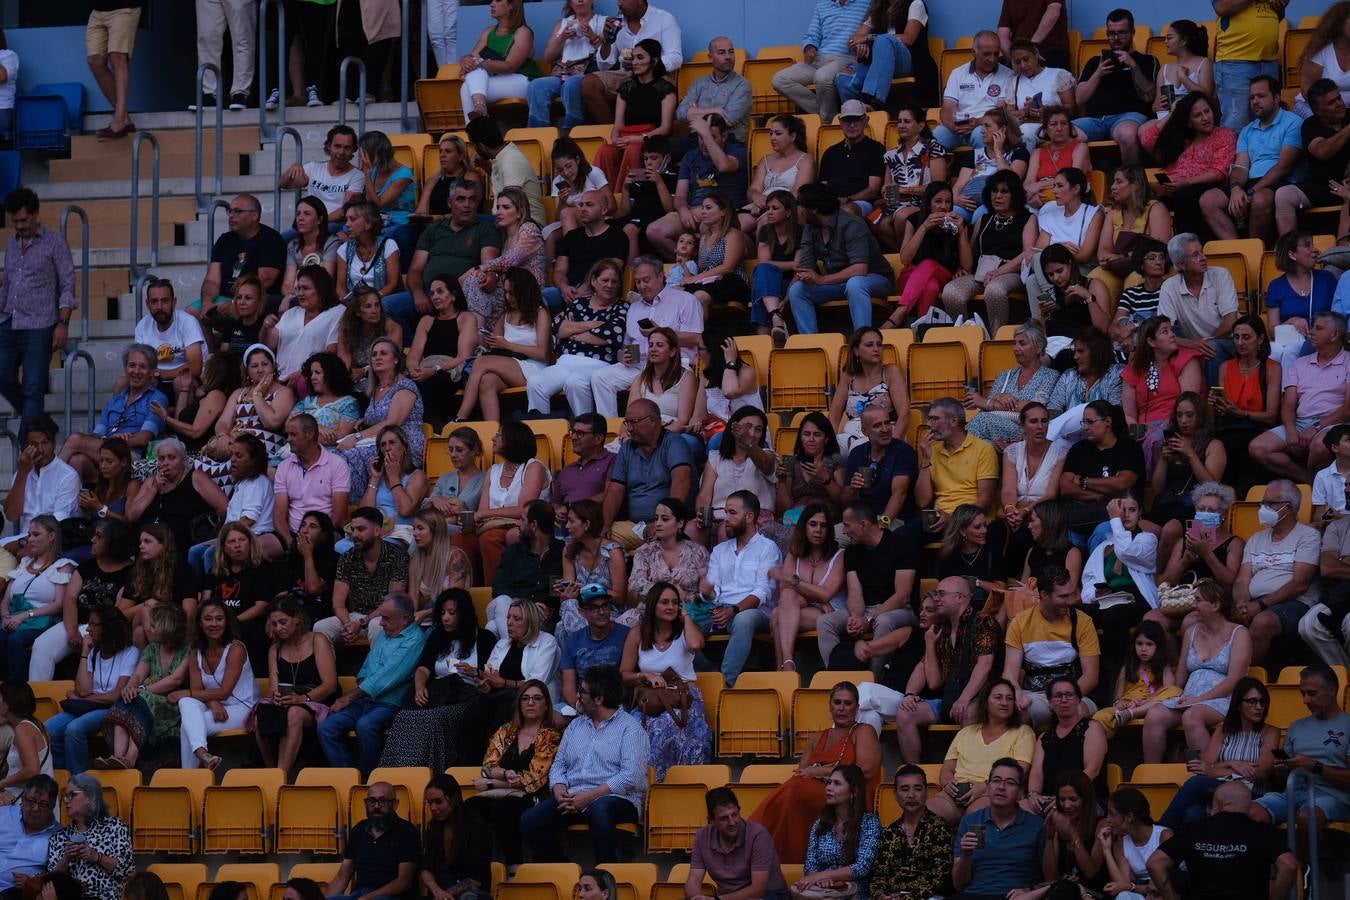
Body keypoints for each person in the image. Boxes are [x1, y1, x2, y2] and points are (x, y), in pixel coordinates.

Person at [520, 664, 649, 864]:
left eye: (583, 691)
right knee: (531, 820)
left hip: (616, 799)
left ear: (599, 699)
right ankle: (562, 869)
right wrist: (560, 790)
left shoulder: (630, 729)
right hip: (573, 797)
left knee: (600, 809)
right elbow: (559, 765)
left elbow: (630, 776)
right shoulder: (576, 725)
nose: (578, 696)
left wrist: (588, 797)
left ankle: (606, 874)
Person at [750, 681, 882, 864]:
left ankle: (753, 842)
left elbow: (865, 770)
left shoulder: (863, 731)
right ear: (829, 706)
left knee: (794, 789)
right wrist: (814, 773)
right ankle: (758, 845)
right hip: (813, 795)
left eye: (848, 703)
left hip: (849, 796)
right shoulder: (817, 737)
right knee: (793, 788)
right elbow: (802, 772)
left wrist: (819, 771)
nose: (842, 708)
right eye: (837, 703)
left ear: (857, 708)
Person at [381, 588, 498, 769]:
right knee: (404, 716)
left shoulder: (484, 638)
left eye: (451, 613)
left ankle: (428, 771)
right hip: (440, 693)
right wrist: (419, 686)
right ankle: (396, 772)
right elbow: (423, 668)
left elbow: (492, 677)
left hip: (468, 696)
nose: (445, 618)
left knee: (434, 719)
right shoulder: (437, 636)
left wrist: (476, 672)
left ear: (464, 614)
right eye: (442, 613)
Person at [1141, 578, 1252, 763]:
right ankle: (1152, 773)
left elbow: (1235, 681)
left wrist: (1200, 700)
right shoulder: (1191, 632)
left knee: (1192, 716)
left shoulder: (1239, 634)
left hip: (1224, 699)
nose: (1193, 605)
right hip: (1189, 698)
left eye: (1198, 600)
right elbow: (1181, 678)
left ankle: (1207, 772)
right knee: (1154, 715)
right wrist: (1164, 697)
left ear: (1215, 604)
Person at [318, 593, 427, 775]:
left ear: (405, 619)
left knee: (366, 725)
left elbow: (386, 678)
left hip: (390, 704)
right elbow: (367, 666)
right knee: (326, 727)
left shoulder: (415, 640)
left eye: (386, 618)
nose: (381, 623)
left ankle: (372, 780)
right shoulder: (388, 632)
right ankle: (347, 778)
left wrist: (349, 697)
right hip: (366, 699)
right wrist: (361, 685)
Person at [1249, 664, 1350, 858]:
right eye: (1302, 693)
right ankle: (1272, 867)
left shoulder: (1347, 725)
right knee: (1250, 812)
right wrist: (1281, 769)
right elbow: (1280, 781)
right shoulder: (1297, 726)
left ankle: (1300, 871)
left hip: (1332, 796)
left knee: (1307, 816)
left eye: (1312, 694)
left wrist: (1316, 767)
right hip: (1292, 791)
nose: (1305, 700)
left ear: (1332, 690)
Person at [0, 189, 76, 436]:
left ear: (35, 215)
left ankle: (28, 449)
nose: (19, 226)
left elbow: (67, 283)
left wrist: (63, 323)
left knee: (33, 387)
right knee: (2, 376)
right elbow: (9, 283)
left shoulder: (55, 242)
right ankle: (43, 424)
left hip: (40, 325)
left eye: (23, 220)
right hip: (10, 320)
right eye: (15, 221)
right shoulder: (12, 245)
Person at [387, 178, 501, 340]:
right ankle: (415, 345)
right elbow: (415, 269)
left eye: (472, 199)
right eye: (461, 199)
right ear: (450, 202)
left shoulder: (485, 229)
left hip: (461, 296)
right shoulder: (433, 230)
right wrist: (418, 293)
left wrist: (488, 277)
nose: (467, 205)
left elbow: (487, 266)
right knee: (387, 307)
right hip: (428, 294)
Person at [588, 257, 702, 418]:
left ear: (661, 276)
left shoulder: (685, 300)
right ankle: (612, 429)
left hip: (674, 364)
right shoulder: (634, 308)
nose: (642, 286)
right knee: (600, 378)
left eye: (646, 280)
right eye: (638, 282)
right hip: (640, 364)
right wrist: (624, 355)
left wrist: (662, 332)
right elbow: (629, 344)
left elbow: (695, 338)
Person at [1157, 676, 1277, 828]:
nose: (1259, 707)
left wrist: (1216, 769)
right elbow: (1205, 767)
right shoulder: (1223, 731)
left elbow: (1262, 771)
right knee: (1192, 814)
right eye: (1252, 701)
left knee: (1196, 783)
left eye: (1262, 702)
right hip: (1219, 792)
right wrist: (1232, 764)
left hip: (1251, 793)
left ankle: (1159, 832)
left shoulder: (1270, 732)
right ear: (1239, 704)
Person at [466, 679, 562, 867]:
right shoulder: (505, 730)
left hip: (534, 797)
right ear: (519, 704)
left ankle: (514, 866)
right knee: (469, 808)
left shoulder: (551, 736)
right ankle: (479, 869)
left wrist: (493, 784)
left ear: (546, 705)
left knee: (502, 808)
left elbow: (534, 780)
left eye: (537, 698)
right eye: (525, 698)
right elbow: (486, 768)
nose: (530, 703)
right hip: (503, 793)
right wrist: (504, 773)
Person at [620, 581, 711, 778]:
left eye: (675, 602)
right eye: (664, 602)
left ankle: (675, 782)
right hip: (651, 698)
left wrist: (685, 615)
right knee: (633, 728)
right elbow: (624, 674)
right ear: (653, 605)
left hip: (684, 697)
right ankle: (645, 784)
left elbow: (696, 644)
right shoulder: (638, 633)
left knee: (667, 724)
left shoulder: (686, 630)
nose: (671, 607)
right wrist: (644, 675)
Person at [1149, 782, 1297, 900]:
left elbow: (1155, 863)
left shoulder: (1192, 830)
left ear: (1218, 803)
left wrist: (1171, 897)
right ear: (1249, 806)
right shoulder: (1265, 831)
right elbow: (1289, 865)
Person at [817, 502, 917, 674]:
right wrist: (856, 618)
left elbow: (903, 595)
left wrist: (869, 619)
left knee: (884, 621)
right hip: (866, 611)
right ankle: (835, 679)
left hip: (899, 609)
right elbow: (855, 592)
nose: (844, 531)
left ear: (863, 524)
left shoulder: (901, 545)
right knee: (824, 621)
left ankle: (873, 678)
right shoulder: (852, 552)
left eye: (847, 525)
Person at [1249, 311, 1350, 483]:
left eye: (1318, 328)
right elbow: (1288, 404)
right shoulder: (1299, 363)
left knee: (1319, 446)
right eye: (1312, 327)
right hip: (1301, 422)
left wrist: (1316, 427)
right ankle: (1309, 480)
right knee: (1258, 447)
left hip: (1334, 423)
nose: (1311, 332)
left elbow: (1348, 408)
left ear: (1334, 335)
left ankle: (1314, 485)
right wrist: (1290, 430)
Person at [28, 520, 134, 682]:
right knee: (41, 646)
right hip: (75, 623)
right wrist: (72, 631)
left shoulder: (130, 573)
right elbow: (69, 599)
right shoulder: (86, 567)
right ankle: (38, 699)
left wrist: (90, 630)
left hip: (104, 626)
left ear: (113, 541)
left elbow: (118, 612)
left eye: (99, 536)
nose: (92, 540)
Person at [1201, 77, 1304, 243]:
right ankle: (1238, 247)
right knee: (1208, 200)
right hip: (1251, 182)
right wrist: (1235, 189)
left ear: (1276, 98)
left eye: (1261, 96)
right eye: (1252, 97)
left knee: (1260, 199)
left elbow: (1283, 167)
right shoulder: (1247, 130)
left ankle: (1254, 249)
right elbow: (1241, 167)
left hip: (1279, 181)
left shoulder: (1293, 123)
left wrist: (1252, 191)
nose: (1255, 101)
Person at [694, 491, 780, 687]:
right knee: (679, 620)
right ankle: (709, 671)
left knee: (743, 620)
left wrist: (733, 610)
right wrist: (707, 593)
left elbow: (763, 592)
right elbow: (713, 592)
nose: (726, 519)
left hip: (755, 612)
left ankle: (726, 684)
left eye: (732, 513)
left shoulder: (767, 548)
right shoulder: (719, 550)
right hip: (719, 609)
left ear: (749, 517)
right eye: (725, 512)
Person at [1232, 479, 1322, 665]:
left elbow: (1299, 584)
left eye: (1269, 503)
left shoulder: (1308, 536)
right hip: (1255, 603)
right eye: (1263, 503)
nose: (1263, 508)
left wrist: (1261, 605)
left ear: (1288, 508)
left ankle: (1242, 678)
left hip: (1295, 603)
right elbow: (1242, 580)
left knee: (1262, 622)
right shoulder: (1256, 539)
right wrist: (1242, 603)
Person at [787, 182, 896, 336]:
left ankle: (863, 339)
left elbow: (860, 269)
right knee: (797, 290)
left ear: (813, 209)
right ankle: (811, 343)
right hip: (839, 282)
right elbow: (806, 267)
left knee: (855, 282)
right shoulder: (810, 228)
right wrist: (804, 275)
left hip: (875, 279)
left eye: (800, 206)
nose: (797, 211)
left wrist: (821, 279)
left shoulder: (851, 224)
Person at [94, 603, 190, 770]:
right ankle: (117, 757)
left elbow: (175, 680)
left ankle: (130, 759)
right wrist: (130, 687)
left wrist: (142, 691)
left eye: (154, 626)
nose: (149, 629)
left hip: (172, 703)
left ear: (167, 629)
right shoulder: (152, 649)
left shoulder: (188, 649)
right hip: (146, 698)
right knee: (127, 696)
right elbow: (138, 675)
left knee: (140, 698)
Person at [1002, 564, 1100, 727]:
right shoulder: (1020, 622)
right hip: (1035, 696)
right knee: (1015, 711)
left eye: (1071, 594)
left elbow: (1091, 677)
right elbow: (1009, 673)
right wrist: (1017, 693)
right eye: (1062, 596)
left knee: (1078, 711)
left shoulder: (1082, 622)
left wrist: (1064, 700)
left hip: (1074, 695)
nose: (1069, 601)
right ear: (1044, 595)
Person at [927, 679, 1035, 826]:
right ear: (985, 702)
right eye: (998, 697)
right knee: (928, 815)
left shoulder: (1023, 732)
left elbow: (1019, 772)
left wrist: (986, 786)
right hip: (959, 790)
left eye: (1010, 698)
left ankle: (967, 848)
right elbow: (948, 767)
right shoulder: (966, 732)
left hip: (996, 791)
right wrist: (947, 783)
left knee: (974, 819)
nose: (1005, 702)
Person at [941, 171, 1037, 333]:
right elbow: (970, 256)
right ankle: (966, 335)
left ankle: (996, 337)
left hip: (1011, 272)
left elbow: (1028, 253)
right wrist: (961, 267)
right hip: (981, 272)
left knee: (994, 290)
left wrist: (999, 272)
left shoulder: (1028, 219)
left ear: (1015, 195)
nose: (997, 196)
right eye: (994, 190)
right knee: (951, 292)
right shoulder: (984, 219)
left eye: (1004, 191)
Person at [44, 606, 135, 775]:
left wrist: (81, 699)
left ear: (107, 627)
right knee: (47, 729)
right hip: (88, 706)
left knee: (74, 729)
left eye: (93, 624)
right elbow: (83, 689)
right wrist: (85, 652)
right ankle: (61, 776)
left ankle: (78, 781)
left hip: (110, 709)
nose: (88, 629)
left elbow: (116, 696)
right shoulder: (93, 652)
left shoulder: (130, 653)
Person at [252, 598, 338, 774]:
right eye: (274, 624)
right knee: (261, 713)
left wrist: (302, 699)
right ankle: (270, 770)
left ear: (297, 619)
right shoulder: (275, 649)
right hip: (289, 699)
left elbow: (330, 685)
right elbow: (273, 687)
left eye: (283, 622)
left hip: (316, 699)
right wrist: (276, 696)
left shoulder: (317, 640)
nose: (278, 628)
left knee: (294, 713)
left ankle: (280, 773)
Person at [646, 115, 749, 260]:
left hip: (728, 213)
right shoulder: (690, 157)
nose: (705, 143)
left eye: (711, 137)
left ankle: (706, 267)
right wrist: (683, 210)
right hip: (696, 212)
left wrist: (706, 134)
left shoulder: (736, 151)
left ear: (724, 136)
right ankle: (691, 265)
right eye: (701, 137)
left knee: (707, 227)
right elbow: (680, 197)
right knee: (654, 231)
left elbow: (724, 165)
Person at [61, 345, 167, 480]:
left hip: (133, 456)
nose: (136, 371)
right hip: (105, 453)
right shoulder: (115, 400)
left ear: (152, 372)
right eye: (132, 365)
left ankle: (48, 487)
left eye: (143, 367)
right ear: (125, 369)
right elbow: (96, 435)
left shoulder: (157, 398)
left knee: (75, 440)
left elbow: (143, 439)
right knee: (78, 461)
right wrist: (111, 440)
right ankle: (71, 499)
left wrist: (114, 441)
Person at [337, 338, 425, 501]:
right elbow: (382, 416)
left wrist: (356, 437)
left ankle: (356, 504)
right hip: (379, 441)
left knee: (349, 456)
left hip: (404, 444)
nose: (377, 357)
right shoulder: (377, 389)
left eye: (384, 354)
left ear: (396, 359)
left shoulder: (404, 385)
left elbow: (392, 423)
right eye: (374, 354)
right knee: (332, 454)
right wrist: (365, 421)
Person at [176, 598, 258, 770]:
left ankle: (190, 779)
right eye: (208, 619)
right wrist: (212, 703)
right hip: (216, 706)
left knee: (188, 726)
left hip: (244, 707)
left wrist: (188, 693)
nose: (214, 624)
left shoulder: (236, 648)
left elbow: (225, 692)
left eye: (219, 619)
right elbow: (198, 689)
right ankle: (203, 755)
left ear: (227, 622)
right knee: (186, 703)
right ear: (199, 623)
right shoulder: (195, 651)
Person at [601, 399, 695, 550]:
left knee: (655, 548)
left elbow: (681, 482)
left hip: (667, 526)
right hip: (634, 527)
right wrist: (605, 524)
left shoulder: (674, 442)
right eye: (627, 423)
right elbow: (615, 490)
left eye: (634, 422)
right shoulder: (626, 449)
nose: (629, 429)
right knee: (597, 541)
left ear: (653, 421)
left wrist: (661, 522)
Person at [468, 425, 554, 589]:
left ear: (513, 440)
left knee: (490, 538)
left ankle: (497, 591)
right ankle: (464, 594)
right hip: (492, 526)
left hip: (525, 525)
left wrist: (485, 514)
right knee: (461, 538)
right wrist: (483, 514)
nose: (493, 438)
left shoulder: (533, 467)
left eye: (499, 435)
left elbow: (524, 509)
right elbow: (483, 510)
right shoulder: (493, 470)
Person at [1143, 95, 1239, 239]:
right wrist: (1172, 113)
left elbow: (1219, 172)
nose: (1205, 118)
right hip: (1174, 188)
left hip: (1204, 186)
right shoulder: (1182, 140)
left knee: (1185, 196)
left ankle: (1189, 248)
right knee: (1146, 200)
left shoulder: (1224, 134)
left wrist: (1186, 183)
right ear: (1189, 122)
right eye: (1198, 115)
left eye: (1207, 111)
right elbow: (1147, 140)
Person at [1071, 10, 1159, 166]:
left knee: (1127, 134)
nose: (1116, 38)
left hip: (1128, 118)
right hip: (1094, 120)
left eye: (1121, 33)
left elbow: (1149, 96)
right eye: (1111, 33)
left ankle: (1132, 184)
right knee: (1064, 133)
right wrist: (1098, 74)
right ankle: (1076, 186)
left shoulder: (1147, 60)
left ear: (1133, 33)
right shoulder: (1094, 62)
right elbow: (1079, 99)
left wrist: (1133, 66)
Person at [951, 758, 1046, 899]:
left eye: (1010, 783)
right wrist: (966, 855)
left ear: (1020, 792)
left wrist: (1030, 890)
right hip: (974, 895)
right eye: (996, 780)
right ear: (988, 786)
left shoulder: (1036, 825)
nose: (1001, 787)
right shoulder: (972, 821)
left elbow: (1052, 879)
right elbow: (959, 885)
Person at [768, 505, 846, 672]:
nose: (818, 530)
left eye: (823, 525)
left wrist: (792, 580)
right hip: (805, 609)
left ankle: (782, 670)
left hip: (831, 613)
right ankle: (788, 662)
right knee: (781, 606)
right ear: (804, 526)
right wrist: (816, 597)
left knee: (777, 615)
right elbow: (786, 595)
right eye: (813, 524)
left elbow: (826, 595)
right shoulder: (793, 555)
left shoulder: (839, 556)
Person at [200, 344, 294, 481]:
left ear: (273, 366)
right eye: (254, 366)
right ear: (247, 371)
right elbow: (223, 422)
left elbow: (271, 422)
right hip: (234, 446)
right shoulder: (239, 393)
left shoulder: (283, 392)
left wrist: (257, 394)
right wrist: (222, 435)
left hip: (261, 451)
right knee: (200, 470)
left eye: (265, 364)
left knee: (229, 471)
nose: (260, 370)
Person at [0, 515, 75, 680]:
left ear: (51, 536)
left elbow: (59, 604)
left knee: (15, 640)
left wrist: (25, 616)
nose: (30, 539)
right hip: (13, 617)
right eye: (29, 535)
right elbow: (6, 599)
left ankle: (17, 689)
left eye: (36, 534)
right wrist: (5, 615)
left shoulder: (62, 566)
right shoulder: (24, 563)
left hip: (41, 620)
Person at [594, 39, 676, 189]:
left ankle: (626, 194)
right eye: (633, 58)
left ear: (654, 61)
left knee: (633, 149)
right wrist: (616, 140)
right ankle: (602, 196)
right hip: (627, 138)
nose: (635, 62)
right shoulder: (626, 88)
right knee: (605, 151)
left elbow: (665, 128)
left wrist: (640, 138)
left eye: (640, 57)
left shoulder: (666, 89)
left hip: (652, 142)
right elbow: (618, 124)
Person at [461, 190, 546, 332]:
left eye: (506, 207)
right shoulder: (504, 237)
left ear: (520, 212)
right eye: (498, 207)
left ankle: (478, 335)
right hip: (508, 287)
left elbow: (512, 260)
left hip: (529, 287)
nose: (499, 212)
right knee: (477, 279)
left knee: (475, 278)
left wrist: (481, 268)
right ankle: (479, 333)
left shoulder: (529, 228)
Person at [886, 181, 971, 326]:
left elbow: (967, 265)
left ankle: (899, 313)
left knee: (928, 264)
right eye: (938, 201)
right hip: (911, 277)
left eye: (948, 202)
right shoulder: (914, 220)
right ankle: (921, 331)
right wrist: (924, 227)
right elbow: (905, 260)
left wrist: (961, 230)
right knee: (931, 286)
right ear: (928, 203)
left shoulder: (958, 223)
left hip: (943, 274)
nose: (944, 206)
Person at [195, 195, 285, 329]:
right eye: (230, 211)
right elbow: (212, 280)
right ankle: (209, 350)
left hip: (253, 300)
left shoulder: (271, 239)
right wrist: (207, 302)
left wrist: (235, 302)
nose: (231, 215)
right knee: (191, 313)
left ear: (254, 215)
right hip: (222, 298)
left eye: (237, 211)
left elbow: (265, 280)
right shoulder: (224, 240)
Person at [771, 0, 868, 123]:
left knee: (822, 76)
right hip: (819, 58)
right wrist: (809, 47)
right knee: (780, 80)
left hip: (846, 57)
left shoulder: (866, 3)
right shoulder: (822, 6)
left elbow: (875, 28)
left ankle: (826, 123)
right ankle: (830, 115)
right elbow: (812, 34)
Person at [797, 765, 883, 900]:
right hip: (823, 890)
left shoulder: (869, 823)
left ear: (853, 792)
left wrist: (823, 875)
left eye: (837, 783)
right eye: (829, 782)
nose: (829, 788)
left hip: (856, 893)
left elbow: (861, 867)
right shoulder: (821, 823)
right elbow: (810, 864)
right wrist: (821, 880)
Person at [687, 787, 788, 900]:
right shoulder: (702, 836)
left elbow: (758, 889)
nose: (732, 822)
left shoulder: (758, 835)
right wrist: (696, 897)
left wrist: (719, 899)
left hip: (768, 895)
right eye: (724, 818)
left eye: (734, 815)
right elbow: (694, 880)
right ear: (711, 821)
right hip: (727, 897)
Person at [837, 0, 938, 114]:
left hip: (908, 63)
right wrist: (861, 45)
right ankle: (857, 115)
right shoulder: (879, 9)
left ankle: (874, 103)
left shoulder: (915, 4)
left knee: (885, 40)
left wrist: (869, 38)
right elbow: (853, 39)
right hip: (879, 65)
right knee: (845, 77)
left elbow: (909, 38)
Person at [1277, 79, 1350, 235]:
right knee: (1283, 195)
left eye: (1339, 98)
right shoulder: (1310, 125)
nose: (1339, 104)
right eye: (1331, 102)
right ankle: (1291, 250)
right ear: (1318, 110)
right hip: (1321, 185)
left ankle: (1343, 247)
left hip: (1348, 183)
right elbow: (1322, 151)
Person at [325, 781, 420, 900]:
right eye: (371, 801)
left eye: (383, 801)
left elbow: (403, 882)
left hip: (391, 896)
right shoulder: (358, 830)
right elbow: (342, 877)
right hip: (360, 894)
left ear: (395, 804)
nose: (376, 806)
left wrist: (369, 897)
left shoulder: (407, 831)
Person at [967, 323, 1058, 446]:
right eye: (1015, 343)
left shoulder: (1050, 376)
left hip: (1026, 431)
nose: (1015, 348)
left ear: (1038, 347)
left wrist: (988, 403)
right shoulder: (1005, 375)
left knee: (982, 420)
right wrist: (995, 402)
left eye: (1022, 343)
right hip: (996, 431)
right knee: (985, 444)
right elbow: (991, 408)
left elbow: (1035, 409)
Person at [869, 767, 954, 898]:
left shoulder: (939, 828)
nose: (911, 795)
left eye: (918, 789)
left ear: (926, 792)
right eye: (904, 789)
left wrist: (906, 898)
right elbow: (879, 875)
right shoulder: (889, 833)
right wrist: (880, 895)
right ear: (895, 795)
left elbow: (940, 877)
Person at [876, 105, 952, 250]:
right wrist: (886, 191)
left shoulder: (933, 149)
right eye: (899, 121)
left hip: (924, 203)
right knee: (874, 220)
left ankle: (908, 256)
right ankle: (905, 253)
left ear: (920, 125)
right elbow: (888, 186)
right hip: (897, 204)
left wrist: (904, 190)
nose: (901, 125)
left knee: (902, 216)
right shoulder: (891, 155)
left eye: (907, 121)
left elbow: (938, 188)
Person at [45, 774, 133, 900]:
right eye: (65, 796)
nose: (66, 800)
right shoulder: (59, 837)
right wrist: (66, 858)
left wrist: (96, 856)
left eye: (72, 794)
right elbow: (50, 883)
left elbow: (127, 871)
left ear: (90, 796)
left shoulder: (116, 827)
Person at [1148, 392, 1227, 532]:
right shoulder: (1171, 442)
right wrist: (1163, 460)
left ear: (1200, 416)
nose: (1183, 420)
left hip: (1193, 508)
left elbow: (1211, 486)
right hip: (1166, 505)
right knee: (1135, 531)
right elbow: (1157, 489)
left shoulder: (1214, 445)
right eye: (1179, 415)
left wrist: (1191, 455)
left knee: (1170, 529)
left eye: (1189, 415)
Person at [916, 397, 1000, 526]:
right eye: (929, 419)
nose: (929, 424)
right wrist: (926, 459)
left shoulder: (983, 449)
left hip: (971, 520)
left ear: (954, 421)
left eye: (935, 419)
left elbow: (985, 501)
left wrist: (952, 518)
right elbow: (922, 502)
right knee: (903, 536)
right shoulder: (931, 450)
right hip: (939, 518)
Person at [409, 277, 478, 432]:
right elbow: (414, 355)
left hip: (451, 370)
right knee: (406, 386)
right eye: (432, 293)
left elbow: (463, 357)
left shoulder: (466, 318)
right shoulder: (426, 320)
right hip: (425, 369)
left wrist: (434, 369)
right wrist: (414, 369)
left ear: (453, 295)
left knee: (433, 385)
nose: (434, 297)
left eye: (440, 291)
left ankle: (436, 432)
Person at [1089, 168, 1173, 296]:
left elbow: (1158, 250)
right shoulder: (1113, 213)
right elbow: (1103, 250)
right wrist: (1109, 259)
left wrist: (1123, 258)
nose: (1112, 187)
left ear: (1135, 185)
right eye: (1113, 182)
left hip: (1150, 268)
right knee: (1094, 279)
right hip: (1117, 268)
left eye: (1119, 182)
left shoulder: (1156, 208)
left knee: (1135, 280)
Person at [1026, 678, 1108, 807]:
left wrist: (1064, 798)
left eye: (1069, 695)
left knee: (1059, 816)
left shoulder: (1092, 728)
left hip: (1084, 799)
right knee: (1019, 810)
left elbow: (1092, 770)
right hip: (1049, 799)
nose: (1064, 700)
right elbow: (1036, 773)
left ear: (1078, 700)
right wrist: (1033, 794)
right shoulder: (1044, 737)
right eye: (1058, 696)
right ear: (1050, 703)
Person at [274, 415, 352, 550]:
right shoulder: (284, 466)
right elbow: (279, 513)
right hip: (293, 535)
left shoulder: (336, 464)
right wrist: (289, 540)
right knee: (263, 546)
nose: (288, 439)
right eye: (288, 434)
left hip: (325, 533)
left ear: (309, 434)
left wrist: (319, 537)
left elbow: (339, 514)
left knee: (338, 544)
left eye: (293, 434)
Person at [526, 0, 605, 130]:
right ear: (570, 3)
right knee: (536, 85)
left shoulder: (602, 22)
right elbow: (547, 57)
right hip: (561, 74)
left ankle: (572, 132)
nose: (580, 1)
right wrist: (562, 37)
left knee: (571, 84)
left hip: (587, 75)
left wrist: (593, 37)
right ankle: (538, 133)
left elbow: (609, 56)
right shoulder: (562, 24)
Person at [1093, 619, 1180, 737]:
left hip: (1151, 705)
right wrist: (1121, 703)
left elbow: (1170, 691)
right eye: (1139, 644)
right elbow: (1117, 699)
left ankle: (1132, 713)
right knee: (1099, 717)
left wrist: (1147, 701)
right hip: (1127, 707)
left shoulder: (1164, 667)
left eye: (1149, 644)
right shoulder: (1128, 667)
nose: (1143, 649)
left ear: (1158, 647)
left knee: (1176, 691)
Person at [544, 193, 628, 312]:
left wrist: (583, 290)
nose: (583, 209)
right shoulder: (571, 236)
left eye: (589, 205)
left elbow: (612, 271)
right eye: (581, 205)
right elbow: (559, 271)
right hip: (569, 291)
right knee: (533, 299)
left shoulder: (617, 236)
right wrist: (564, 288)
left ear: (604, 210)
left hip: (600, 293)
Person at [1266, 231, 1338, 370]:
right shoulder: (1276, 286)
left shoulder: (1327, 279)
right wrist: (1292, 321)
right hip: (1290, 340)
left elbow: (1336, 317)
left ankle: (1289, 392)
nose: (1315, 249)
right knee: (1269, 352)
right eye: (1307, 245)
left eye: (1313, 244)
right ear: (1292, 254)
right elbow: (1272, 330)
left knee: (1290, 352)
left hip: (1321, 339)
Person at [933, 31, 1014, 152]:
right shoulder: (958, 73)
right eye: (986, 54)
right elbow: (947, 109)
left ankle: (982, 171)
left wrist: (977, 122)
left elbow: (1001, 112)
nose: (992, 59)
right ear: (974, 52)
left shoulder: (1008, 75)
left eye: (996, 54)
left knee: (980, 134)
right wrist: (953, 126)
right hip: (959, 128)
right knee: (935, 137)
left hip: (986, 126)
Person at [556, 503, 626, 641]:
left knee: (564, 623)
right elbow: (569, 592)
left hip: (607, 611)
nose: (567, 526)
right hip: (582, 610)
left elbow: (620, 597)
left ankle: (585, 650)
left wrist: (588, 590)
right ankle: (584, 652)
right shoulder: (569, 550)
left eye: (571, 521)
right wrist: (565, 591)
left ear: (586, 524)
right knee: (565, 612)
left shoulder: (612, 552)